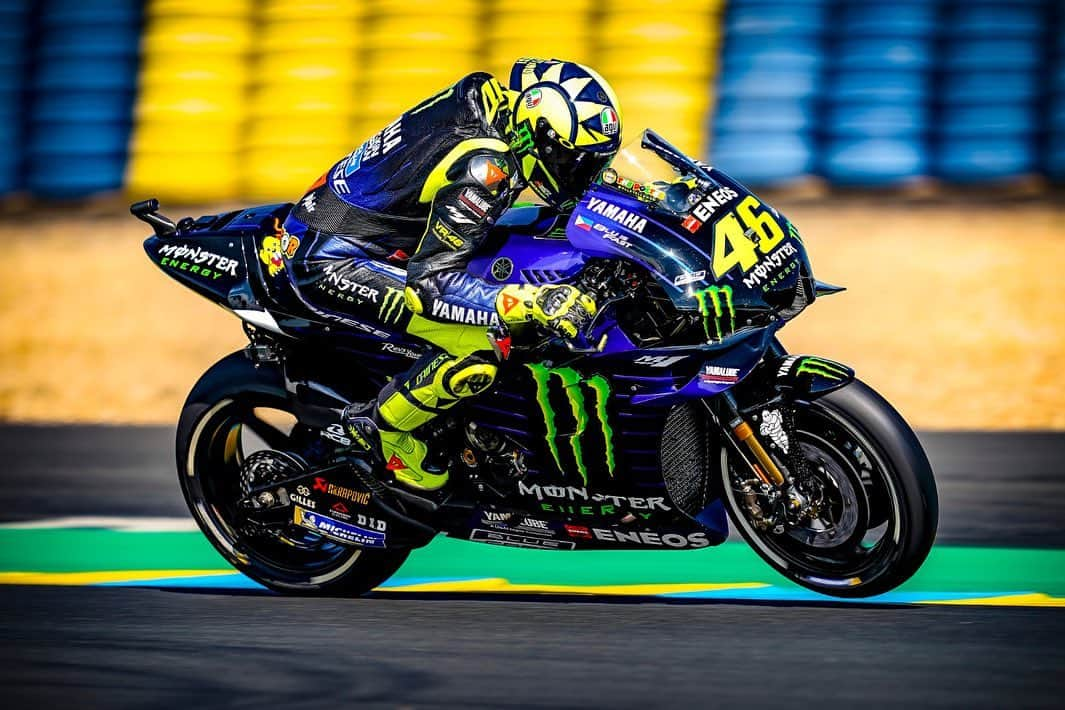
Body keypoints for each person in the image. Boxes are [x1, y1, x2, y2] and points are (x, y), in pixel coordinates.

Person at [279, 58, 622, 492]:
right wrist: (536, 301)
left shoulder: (495, 105)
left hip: (375, 235)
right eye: (572, 161)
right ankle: (383, 430)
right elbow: (431, 287)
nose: (578, 175)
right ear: (537, 137)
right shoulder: (484, 169)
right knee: (482, 345)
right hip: (334, 259)